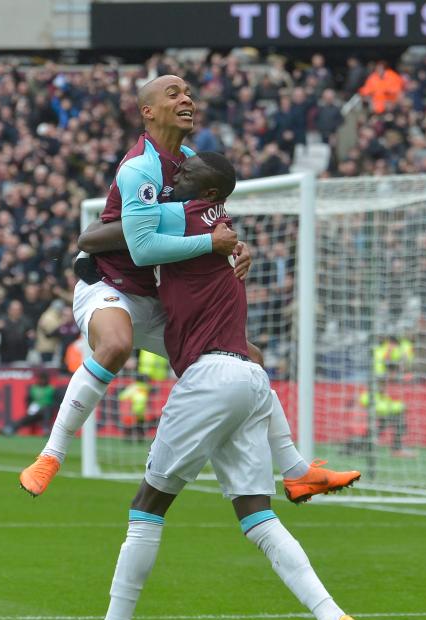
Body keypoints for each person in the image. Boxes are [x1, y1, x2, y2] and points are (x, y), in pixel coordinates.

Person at [51, 153, 362, 620]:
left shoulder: (182, 218)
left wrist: (88, 266)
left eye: (188, 177)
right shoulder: (219, 230)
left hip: (209, 380)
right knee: (256, 515)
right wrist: (234, 248)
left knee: (147, 505)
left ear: (210, 193)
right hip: (249, 377)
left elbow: (101, 238)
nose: (176, 177)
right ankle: (334, 619)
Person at [20, 75, 359, 504]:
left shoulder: (191, 163)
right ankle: (51, 455)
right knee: (115, 344)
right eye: (174, 94)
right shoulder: (140, 167)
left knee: (247, 359)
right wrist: (211, 242)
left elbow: (213, 222)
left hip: (161, 302)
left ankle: (296, 471)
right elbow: (142, 250)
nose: (187, 99)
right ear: (148, 111)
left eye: (189, 93)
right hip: (112, 286)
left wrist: (236, 245)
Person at [0, 371, 60, 436]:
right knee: (25, 418)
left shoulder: (51, 389)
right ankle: (10, 429)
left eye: (43, 379)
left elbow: (56, 402)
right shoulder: (34, 388)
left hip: (47, 411)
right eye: (41, 379)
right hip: (36, 411)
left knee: (46, 410)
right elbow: (28, 400)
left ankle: (46, 429)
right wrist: (30, 407)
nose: (42, 381)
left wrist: (51, 407)